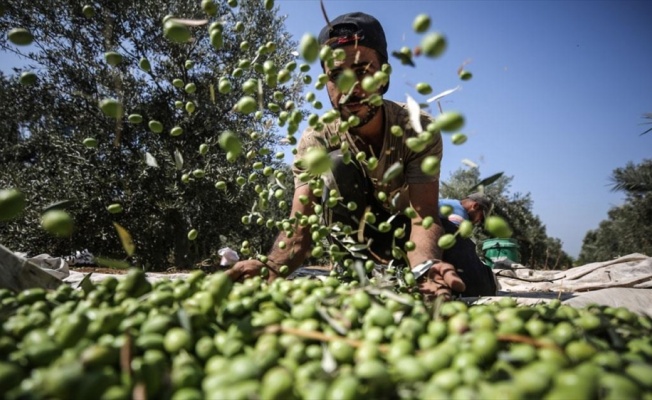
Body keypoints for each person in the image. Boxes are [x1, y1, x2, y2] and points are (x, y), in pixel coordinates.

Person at [226, 12, 495, 299]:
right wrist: (272, 268)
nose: (350, 88)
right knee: (336, 162)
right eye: (337, 76)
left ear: (384, 77)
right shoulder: (316, 140)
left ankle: (482, 273)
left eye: (363, 71)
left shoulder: (417, 130)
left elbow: (422, 217)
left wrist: (425, 266)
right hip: (359, 238)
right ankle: (358, 267)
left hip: (409, 228)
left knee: (472, 286)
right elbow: (301, 226)